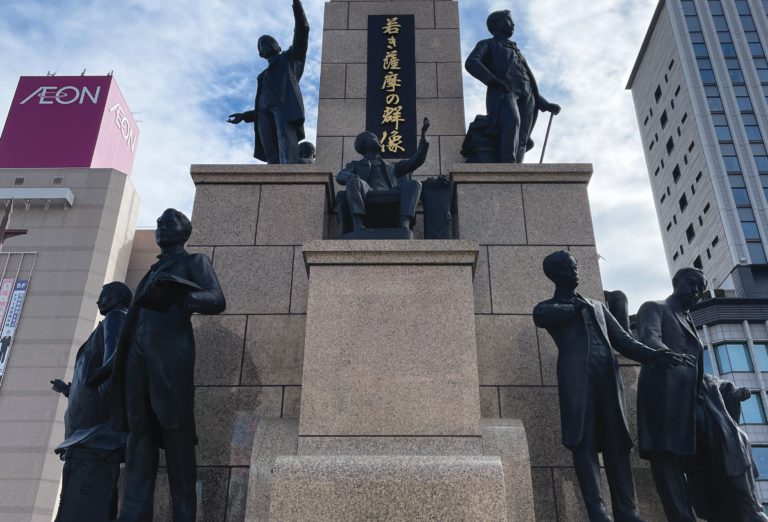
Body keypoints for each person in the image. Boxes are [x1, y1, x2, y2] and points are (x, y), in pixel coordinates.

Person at [533, 251, 691, 522]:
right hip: (577, 380)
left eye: (576, 267)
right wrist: (575, 307)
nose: (576, 272)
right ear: (557, 275)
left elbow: (624, 341)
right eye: (571, 269)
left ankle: (627, 509)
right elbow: (542, 315)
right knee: (583, 441)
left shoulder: (597, 306)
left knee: (617, 442)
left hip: (608, 378)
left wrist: (654, 355)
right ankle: (597, 510)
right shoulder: (549, 307)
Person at [110, 209, 226, 522]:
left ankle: (185, 513)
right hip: (137, 356)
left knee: (176, 434)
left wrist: (180, 297)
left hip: (169, 356)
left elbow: (216, 299)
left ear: (184, 231)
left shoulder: (194, 262)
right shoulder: (151, 270)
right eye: (160, 223)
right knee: (139, 433)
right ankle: (133, 514)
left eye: (169, 222)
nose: (162, 226)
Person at [50, 282, 132, 522]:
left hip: (98, 436)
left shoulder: (117, 318)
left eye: (103, 296)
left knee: (84, 505)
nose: (98, 301)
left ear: (117, 297)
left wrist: (98, 381)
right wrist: (69, 389)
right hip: (88, 435)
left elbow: (115, 364)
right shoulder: (107, 324)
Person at [465, 10, 560, 163]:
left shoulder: (518, 51)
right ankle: (507, 166)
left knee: (523, 135)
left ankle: (517, 170)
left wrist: (544, 103)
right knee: (512, 122)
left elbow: (528, 80)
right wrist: (492, 81)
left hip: (527, 95)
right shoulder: (488, 44)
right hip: (505, 91)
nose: (513, 23)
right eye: (508, 19)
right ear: (495, 24)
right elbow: (472, 63)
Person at [227, 0, 309, 164]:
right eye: (262, 43)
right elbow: (264, 101)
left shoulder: (290, 59)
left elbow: (303, 29)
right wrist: (245, 116)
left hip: (284, 111)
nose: (266, 43)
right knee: (271, 156)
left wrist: (296, 4)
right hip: (264, 115)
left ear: (279, 47)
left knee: (287, 150)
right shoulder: (262, 76)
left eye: (270, 41)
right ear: (260, 54)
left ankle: (291, 183)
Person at [686, 375, 768, 521]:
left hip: (722, 443)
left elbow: (725, 387)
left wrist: (736, 393)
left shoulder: (706, 379)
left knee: (747, 503)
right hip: (697, 449)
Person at [337, 117, 430, 233]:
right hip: (367, 191)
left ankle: (404, 224)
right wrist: (351, 177)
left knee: (414, 183)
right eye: (375, 138)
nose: (380, 139)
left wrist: (423, 134)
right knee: (354, 182)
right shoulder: (356, 165)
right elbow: (341, 176)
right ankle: (358, 225)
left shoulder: (392, 166)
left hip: (390, 192)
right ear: (365, 143)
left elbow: (417, 160)